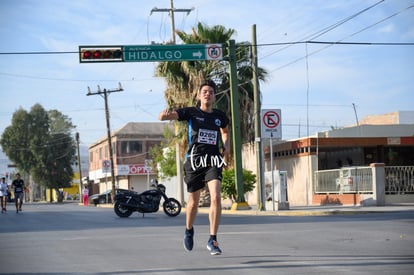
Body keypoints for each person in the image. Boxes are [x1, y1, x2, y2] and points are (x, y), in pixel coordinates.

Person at [158, 80, 230, 255]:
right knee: (193, 202)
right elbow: (164, 117)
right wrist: (164, 115)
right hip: (194, 160)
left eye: (211, 92)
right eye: (204, 91)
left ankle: (212, 239)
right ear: (199, 95)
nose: (208, 94)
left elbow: (225, 131)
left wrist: (226, 145)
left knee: (216, 197)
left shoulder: (219, 116)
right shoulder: (191, 112)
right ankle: (188, 230)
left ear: (214, 96)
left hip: (213, 159)